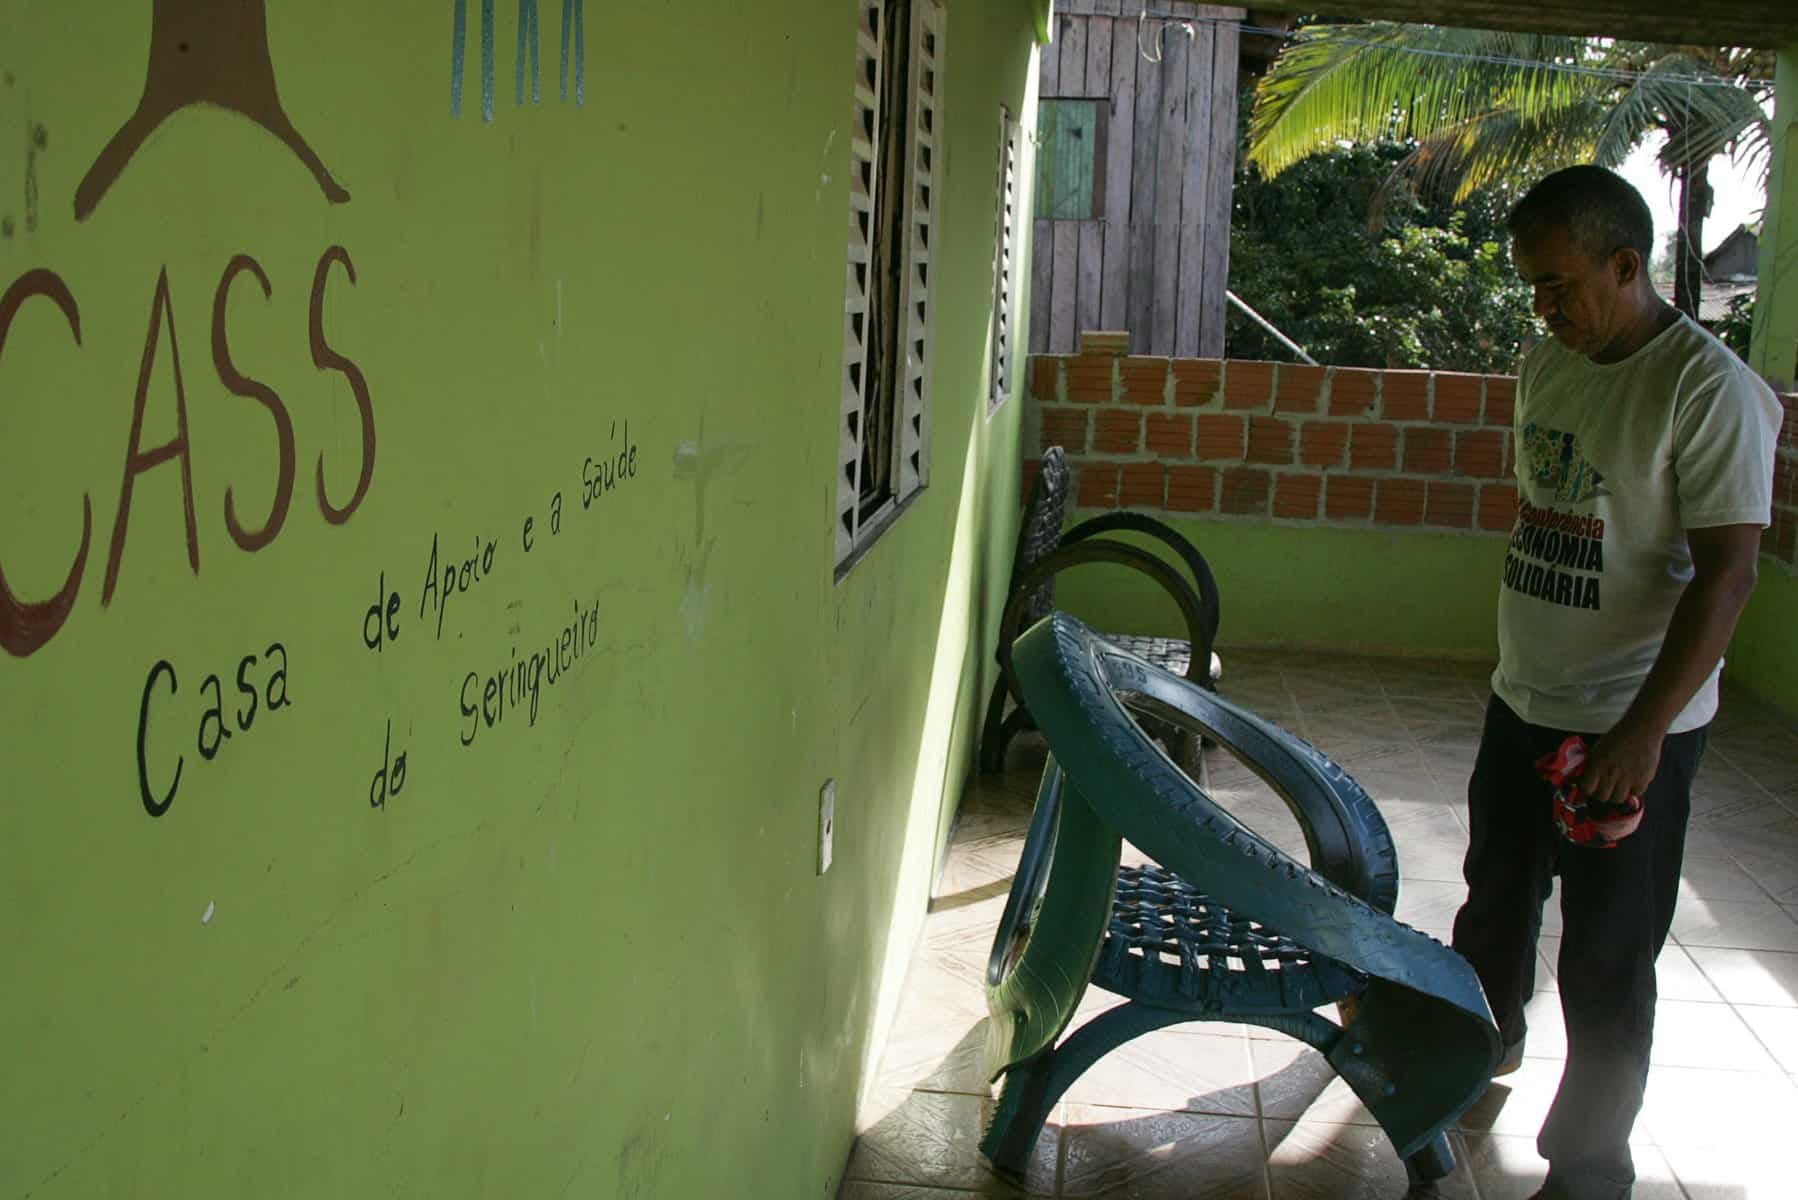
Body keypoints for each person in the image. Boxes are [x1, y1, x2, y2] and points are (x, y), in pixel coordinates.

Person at [1449, 165, 1782, 1200]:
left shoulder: (1706, 388)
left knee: (1604, 953)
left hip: (1632, 726)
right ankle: (1475, 1054)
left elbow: (1729, 571)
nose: (1543, 310)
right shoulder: (1547, 363)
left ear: (1625, 265)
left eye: (1559, 286)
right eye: (1532, 291)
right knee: (1494, 904)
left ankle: (1589, 1167)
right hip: (1525, 698)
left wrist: (1643, 731)